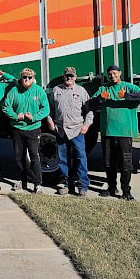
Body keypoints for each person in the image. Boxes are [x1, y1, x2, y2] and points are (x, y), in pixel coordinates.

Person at [89, 64, 140, 200]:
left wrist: (126, 96)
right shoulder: (103, 89)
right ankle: (111, 188)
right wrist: (101, 98)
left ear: (120, 73)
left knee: (125, 162)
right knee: (108, 162)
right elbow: (88, 104)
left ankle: (126, 191)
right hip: (108, 132)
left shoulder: (129, 87)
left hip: (125, 132)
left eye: (115, 73)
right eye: (110, 74)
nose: (112, 76)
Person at [46, 66, 94, 196]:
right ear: (63, 76)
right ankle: (67, 185)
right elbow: (49, 108)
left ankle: (83, 186)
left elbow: (89, 110)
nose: (69, 78)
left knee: (80, 157)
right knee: (63, 159)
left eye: (71, 76)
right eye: (67, 75)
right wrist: (50, 121)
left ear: (75, 77)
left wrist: (86, 125)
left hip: (77, 130)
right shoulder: (56, 90)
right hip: (61, 130)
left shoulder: (81, 91)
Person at [1, 68, 50, 194]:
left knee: (34, 156)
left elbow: (46, 109)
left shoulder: (39, 91)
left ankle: (37, 184)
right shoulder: (14, 91)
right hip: (17, 128)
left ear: (33, 79)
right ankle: (20, 181)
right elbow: (6, 107)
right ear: (21, 78)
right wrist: (16, 116)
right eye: (24, 77)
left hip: (33, 129)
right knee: (19, 156)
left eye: (29, 78)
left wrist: (34, 117)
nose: (27, 80)